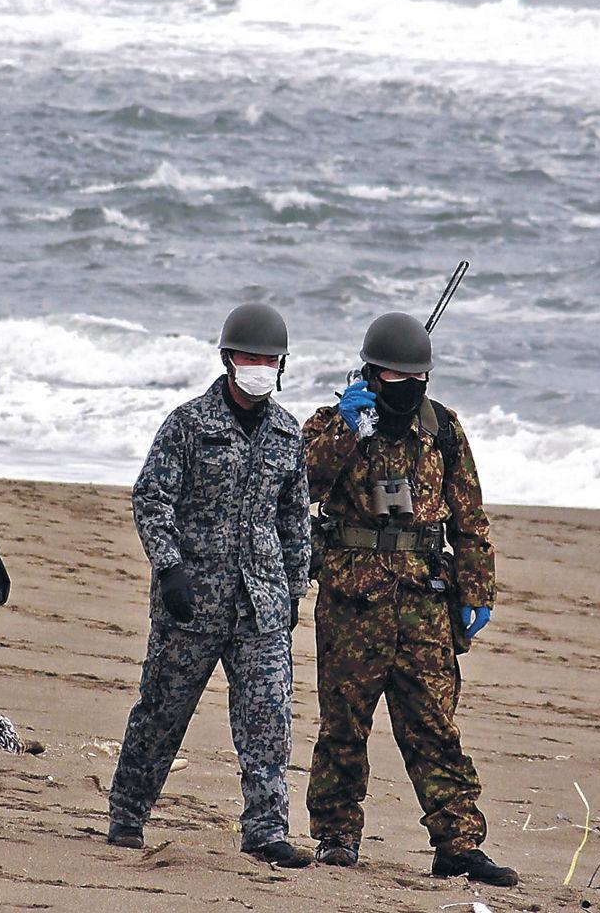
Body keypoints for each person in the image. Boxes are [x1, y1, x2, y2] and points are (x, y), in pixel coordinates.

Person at [303, 311, 518, 886]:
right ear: (370, 374)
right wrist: (346, 431)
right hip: (352, 602)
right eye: (393, 375)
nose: (405, 386)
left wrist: (477, 590)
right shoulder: (334, 423)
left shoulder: (443, 429)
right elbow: (300, 486)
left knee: (434, 726)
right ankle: (335, 835)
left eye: (415, 376)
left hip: (424, 603)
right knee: (343, 724)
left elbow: (470, 520)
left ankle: (458, 842)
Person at [108, 302, 312, 868]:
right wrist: (168, 566)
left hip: (261, 607)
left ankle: (267, 829)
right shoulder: (189, 423)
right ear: (227, 359)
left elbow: (295, 518)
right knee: (161, 711)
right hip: (191, 600)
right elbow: (151, 497)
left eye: (269, 359)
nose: (259, 366)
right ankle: (128, 813)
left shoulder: (288, 434)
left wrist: (294, 589)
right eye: (250, 356)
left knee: (268, 719)